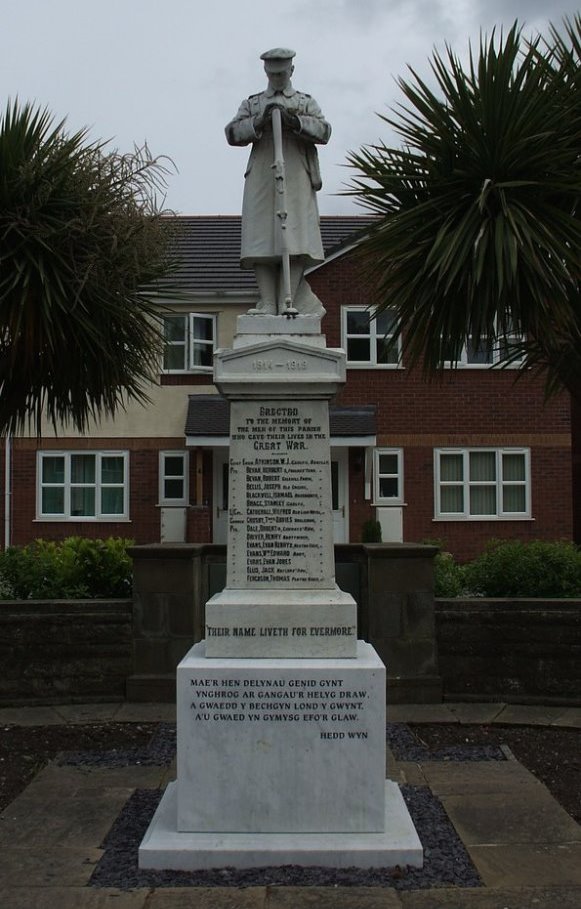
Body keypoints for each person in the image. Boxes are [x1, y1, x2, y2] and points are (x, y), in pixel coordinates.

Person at [225, 48, 331, 316]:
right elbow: (232, 133)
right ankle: (269, 303)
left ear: (291, 71)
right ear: (266, 73)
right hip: (262, 173)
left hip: (295, 171)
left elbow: (324, 131)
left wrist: (294, 121)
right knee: (260, 237)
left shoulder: (305, 102)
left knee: (295, 235)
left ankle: (288, 300)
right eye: (272, 74)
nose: (277, 78)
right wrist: (259, 122)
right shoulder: (254, 103)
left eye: (282, 73)